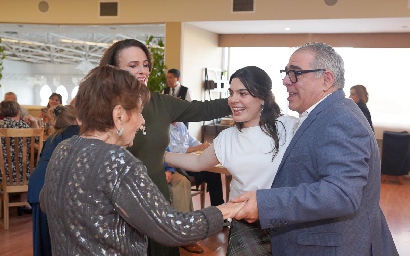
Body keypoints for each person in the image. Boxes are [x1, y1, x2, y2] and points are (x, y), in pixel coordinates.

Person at [39, 65, 243, 255]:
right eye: (138, 112)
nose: (143, 121)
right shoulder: (118, 161)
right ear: (118, 115)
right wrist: (229, 209)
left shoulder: (64, 149)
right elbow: (175, 229)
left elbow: (46, 202)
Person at [230, 42, 398, 255]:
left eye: (295, 73)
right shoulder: (325, 115)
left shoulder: (339, 118)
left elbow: (341, 193)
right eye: (286, 73)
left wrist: (265, 203)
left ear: (326, 80)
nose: (285, 81)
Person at [99, 39, 231, 256]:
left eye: (145, 64)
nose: (142, 71)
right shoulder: (103, 107)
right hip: (119, 198)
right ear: (114, 71)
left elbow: (203, 109)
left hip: (156, 193)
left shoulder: (160, 103)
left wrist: (240, 97)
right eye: (133, 66)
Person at [164, 66, 299, 255]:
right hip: (245, 223)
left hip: (286, 222)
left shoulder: (289, 127)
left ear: (262, 98)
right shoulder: (227, 137)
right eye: (231, 93)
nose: (233, 100)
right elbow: (197, 163)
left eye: (242, 93)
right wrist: (161, 155)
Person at [27, 105, 79, 256]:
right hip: (52, 188)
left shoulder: (53, 137)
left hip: (37, 186)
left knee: (41, 242)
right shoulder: (75, 133)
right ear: (77, 119)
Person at [168, 121, 224, 207]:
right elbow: (173, 150)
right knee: (210, 173)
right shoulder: (165, 128)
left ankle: (218, 207)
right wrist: (196, 148)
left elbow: (192, 141)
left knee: (214, 173)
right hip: (178, 165)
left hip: (190, 162)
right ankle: (218, 206)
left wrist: (203, 146)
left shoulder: (181, 125)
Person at [0, 100, 39, 215]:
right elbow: (36, 145)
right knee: (30, 167)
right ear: (18, 111)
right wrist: (35, 124)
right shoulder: (24, 126)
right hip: (22, 174)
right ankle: (24, 202)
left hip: (2, 173)